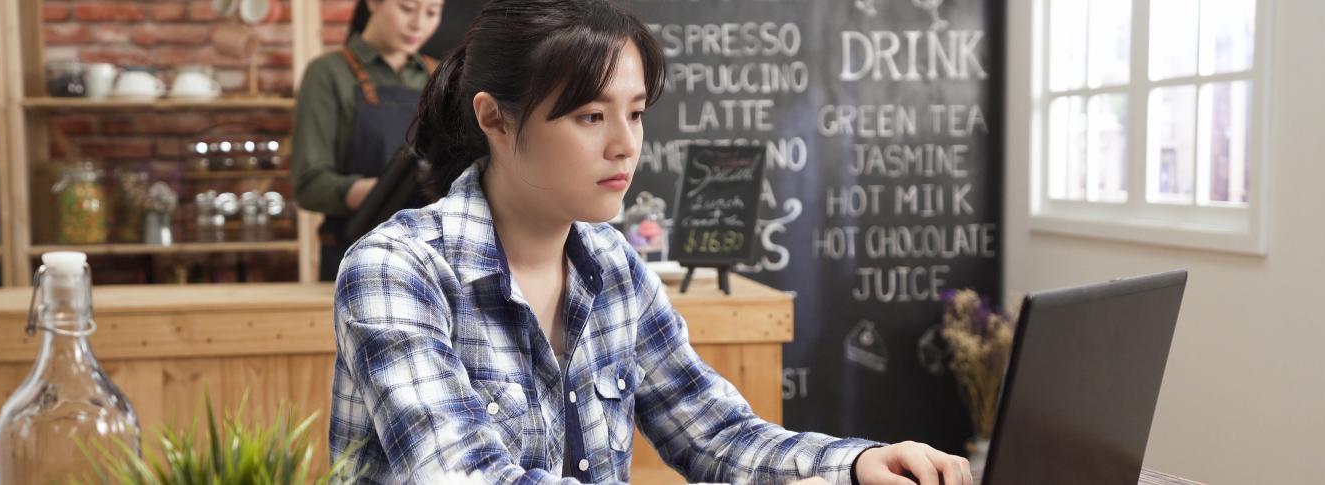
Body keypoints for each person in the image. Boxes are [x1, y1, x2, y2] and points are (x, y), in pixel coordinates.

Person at [328, 0, 974, 483]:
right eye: (590, 116)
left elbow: (716, 432)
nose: (626, 143)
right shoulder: (395, 269)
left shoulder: (613, 265)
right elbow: (465, 475)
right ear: (496, 118)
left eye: (634, 112)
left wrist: (858, 464)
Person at [290, 0, 444, 280]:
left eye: (432, 12)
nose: (418, 23)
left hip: (430, 260)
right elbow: (308, 184)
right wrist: (380, 193)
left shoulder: (440, 77)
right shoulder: (327, 73)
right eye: (407, 8)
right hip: (354, 258)